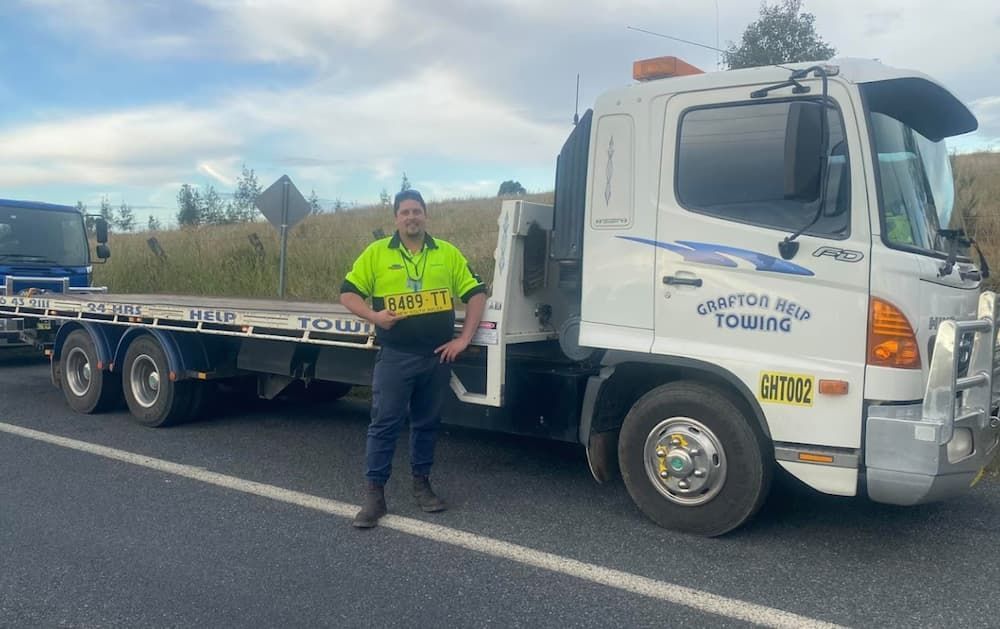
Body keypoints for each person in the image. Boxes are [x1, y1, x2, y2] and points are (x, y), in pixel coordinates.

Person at [340, 189, 487, 529]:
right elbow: (348, 293)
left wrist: (464, 338)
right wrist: (375, 317)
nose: (411, 217)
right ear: (396, 218)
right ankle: (374, 496)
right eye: (405, 212)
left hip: (435, 357)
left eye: (416, 211)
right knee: (384, 424)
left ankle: (422, 486)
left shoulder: (447, 253)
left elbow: (476, 293)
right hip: (396, 356)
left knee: (426, 423)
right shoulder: (377, 253)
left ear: (425, 215)